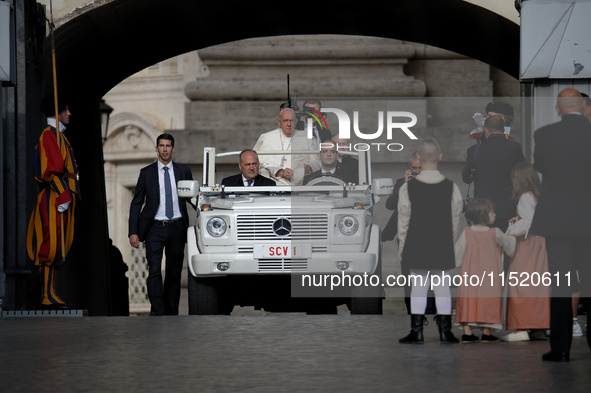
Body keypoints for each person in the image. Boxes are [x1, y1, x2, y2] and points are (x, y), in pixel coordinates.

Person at [530, 88, 591, 361]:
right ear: (584, 107)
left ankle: (561, 348)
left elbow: (541, 166)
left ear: (558, 109)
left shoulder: (545, 135)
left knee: (561, 285)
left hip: (559, 224)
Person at [397, 138, 462, 344]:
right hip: (441, 242)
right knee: (442, 286)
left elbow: (404, 219)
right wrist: (450, 241)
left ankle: (416, 331)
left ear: (420, 157)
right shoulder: (452, 187)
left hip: (416, 242)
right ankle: (445, 331)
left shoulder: (407, 188)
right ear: (440, 157)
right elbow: (455, 218)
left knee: (418, 286)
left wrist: (402, 244)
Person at [128, 133, 193, 316]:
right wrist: (133, 232)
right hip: (154, 228)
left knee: (174, 273)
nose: (165, 149)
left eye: (168, 145)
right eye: (162, 146)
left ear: (173, 149)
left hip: (177, 227)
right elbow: (136, 203)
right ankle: (158, 312)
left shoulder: (183, 171)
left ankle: (171, 312)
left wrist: (208, 208)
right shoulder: (146, 172)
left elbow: (192, 198)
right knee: (154, 271)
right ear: (156, 148)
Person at [26, 95, 79, 309]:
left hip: (61, 196)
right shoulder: (50, 136)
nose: (69, 114)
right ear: (57, 112)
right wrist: (63, 195)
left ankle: (51, 292)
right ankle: (46, 295)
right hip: (55, 197)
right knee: (51, 244)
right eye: (65, 110)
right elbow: (52, 171)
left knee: (59, 245)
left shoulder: (58, 136)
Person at [455, 198, 516, 343]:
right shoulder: (495, 232)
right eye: (492, 212)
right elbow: (510, 248)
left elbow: (457, 254)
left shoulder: (467, 232)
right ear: (484, 215)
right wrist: (511, 230)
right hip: (489, 276)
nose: (495, 214)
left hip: (470, 275)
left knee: (468, 300)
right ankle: (486, 332)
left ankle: (467, 332)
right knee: (488, 300)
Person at [383, 152, 436, 315]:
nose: (417, 171)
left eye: (420, 168)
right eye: (414, 168)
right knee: (409, 280)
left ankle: (430, 311)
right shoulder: (401, 183)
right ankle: (413, 313)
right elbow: (389, 205)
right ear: (409, 168)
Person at [501, 162, 550, 342]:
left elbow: (528, 221)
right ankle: (537, 327)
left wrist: (511, 228)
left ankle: (521, 327)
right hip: (540, 244)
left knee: (519, 284)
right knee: (537, 285)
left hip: (527, 246)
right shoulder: (538, 196)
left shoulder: (524, 197)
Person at [462, 115, 526, 232]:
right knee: (507, 246)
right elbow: (524, 176)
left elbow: (466, 178)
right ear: (503, 130)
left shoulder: (474, 151)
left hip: (482, 212)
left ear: (486, 130)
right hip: (508, 211)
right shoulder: (514, 148)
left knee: (484, 247)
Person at [253, 108, 320, 185]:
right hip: (272, 182)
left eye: (291, 121)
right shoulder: (266, 137)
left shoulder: (307, 138)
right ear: (279, 122)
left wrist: (307, 167)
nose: (289, 124)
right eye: (285, 121)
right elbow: (256, 163)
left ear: (296, 122)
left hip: (299, 183)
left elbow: (316, 163)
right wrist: (279, 171)